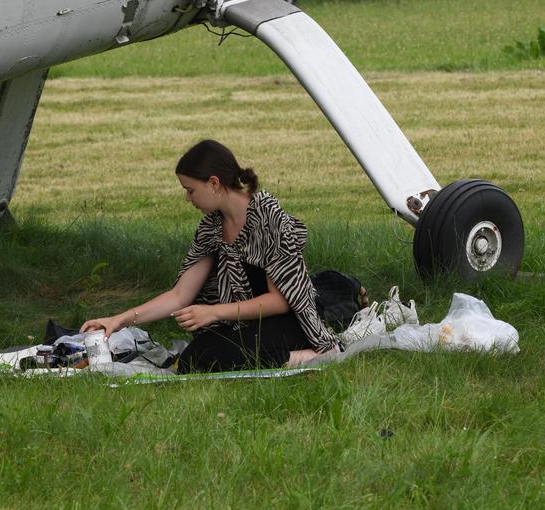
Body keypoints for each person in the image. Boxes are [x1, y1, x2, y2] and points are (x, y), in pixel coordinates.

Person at [80, 139, 354, 372]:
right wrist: (118, 320)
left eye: (190, 190)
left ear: (213, 183)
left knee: (213, 358)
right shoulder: (212, 227)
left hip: (289, 320)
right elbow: (179, 295)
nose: (188, 199)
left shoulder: (269, 218)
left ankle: (308, 357)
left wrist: (214, 312)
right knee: (194, 361)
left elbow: (280, 301)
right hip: (244, 322)